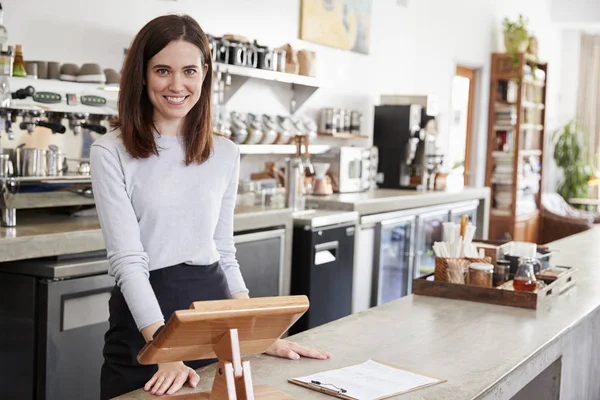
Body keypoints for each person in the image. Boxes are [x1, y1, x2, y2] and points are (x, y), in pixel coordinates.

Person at [90, 14, 330, 400]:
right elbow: (128, 261)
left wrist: (253, 333)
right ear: (142, 74)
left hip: (212, 317)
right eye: (162, 70)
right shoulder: (110, 151)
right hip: (147, 323)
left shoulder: (225, 152)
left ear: (205, 74)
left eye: (189, 70)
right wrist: (163, 349)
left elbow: (222, 250)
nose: (176, 85)